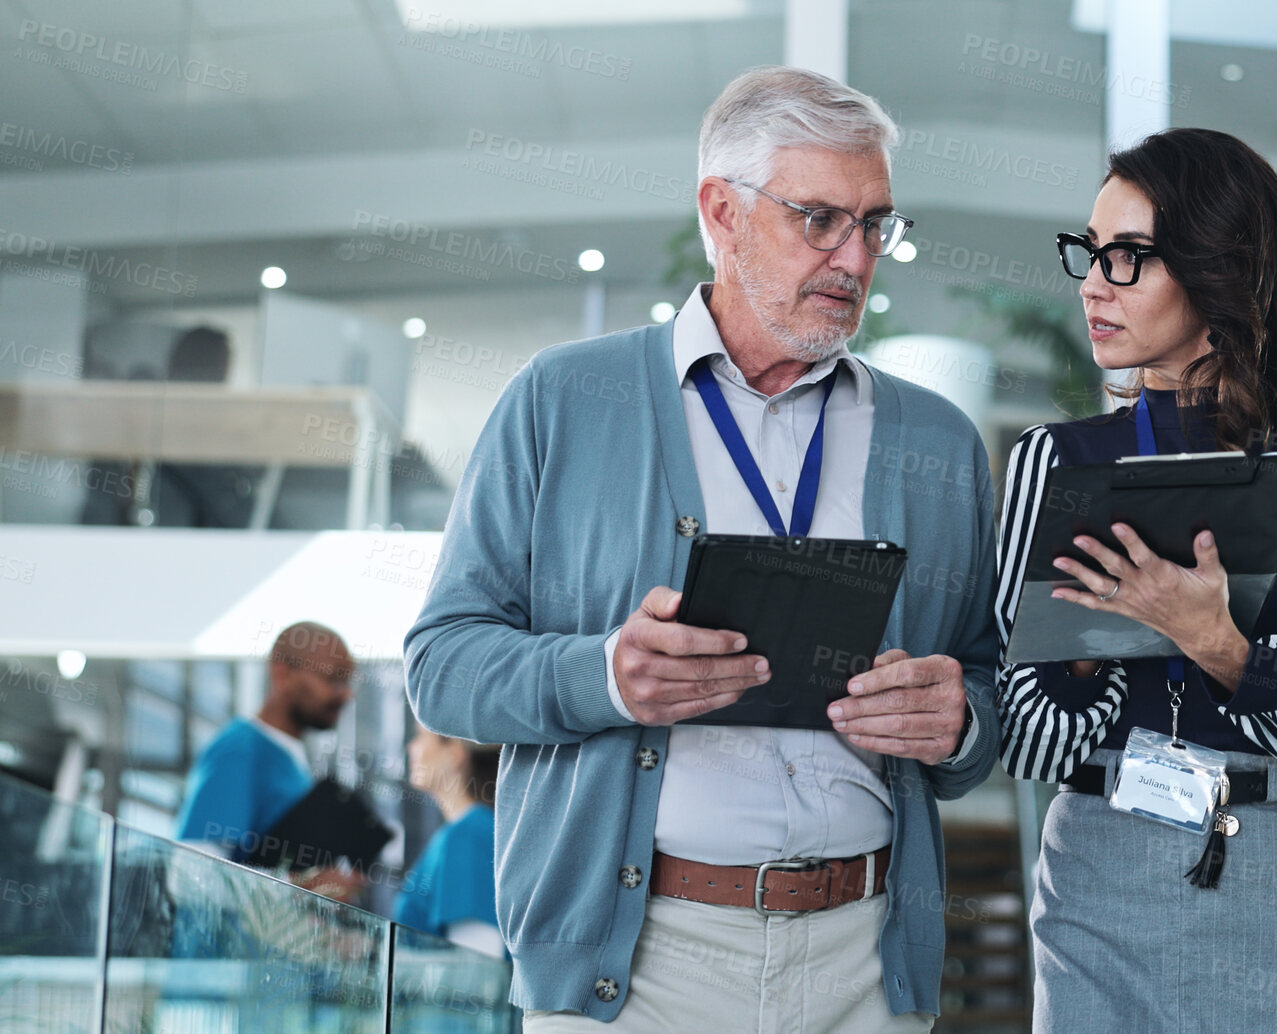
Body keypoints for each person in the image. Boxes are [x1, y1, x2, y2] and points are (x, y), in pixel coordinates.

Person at [405, 65, 1000, 1032]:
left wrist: (957, 723)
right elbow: (442, 667)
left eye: (876, 224)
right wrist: (603, 675)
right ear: (721, 211)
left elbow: (985, 691)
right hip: (632, 970)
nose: (854, 258)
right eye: (820, 220)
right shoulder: (561, 401)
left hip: (863, 962)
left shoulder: (935, 442)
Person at [994, 128, 1277, 1034]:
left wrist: (1217, 642)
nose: (1091, 283)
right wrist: (1081, 647)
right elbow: (1027, 744)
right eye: (1089, 252)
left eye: (1128, 258)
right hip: (1098, 870)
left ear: (1218, 268)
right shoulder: (1052, 461)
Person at [175, 620, 364, 901]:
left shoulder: (291, 758)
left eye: (347, 681)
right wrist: (300, 888)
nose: (346, 694)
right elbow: (189, 876)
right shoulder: (239, 752)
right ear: (283, 675)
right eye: (333, 679)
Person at [397, 727, 503, 957]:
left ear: (455, 752)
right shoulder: (466, 829)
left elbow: (479, 970)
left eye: (421, 737)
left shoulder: (470, 833)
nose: (411, 747)